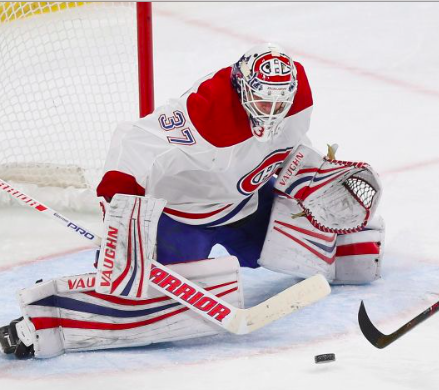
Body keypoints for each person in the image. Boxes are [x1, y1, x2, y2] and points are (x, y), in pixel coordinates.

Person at [0, 43, 384, 359]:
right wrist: (122, 205)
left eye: (278, 104)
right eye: (262, 103)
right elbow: (133, 139)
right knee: (147, 303)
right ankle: (49, 320)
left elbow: (281, 148)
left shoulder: (297, 100)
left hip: (245, 206)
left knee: (354, 257)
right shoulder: (207, 112)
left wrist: (304, 172)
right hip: (181, 218)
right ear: (242, 88)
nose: (271, 113)